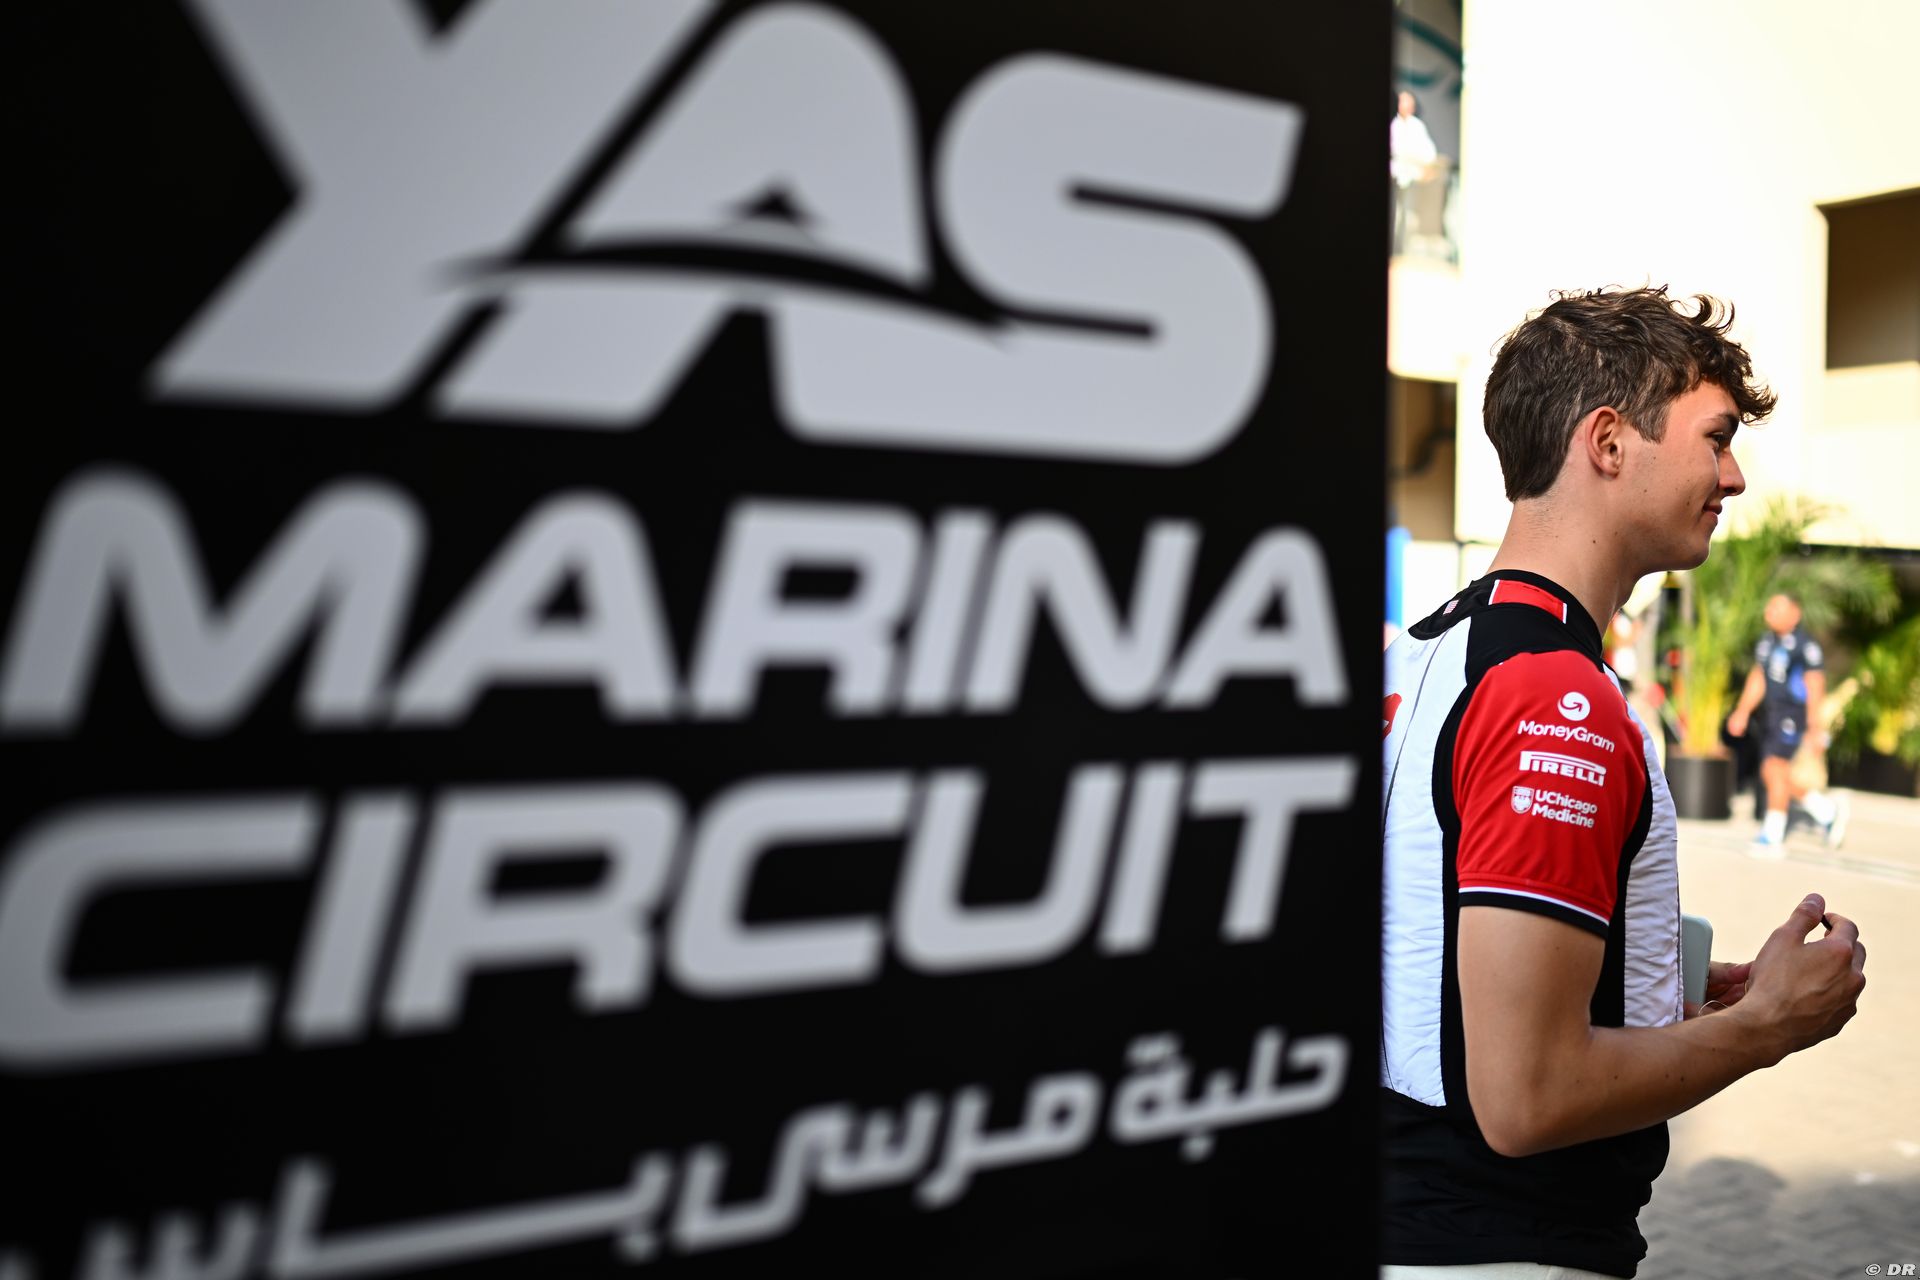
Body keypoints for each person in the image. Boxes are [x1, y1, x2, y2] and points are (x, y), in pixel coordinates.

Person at [1380, 287, 1867, 1278]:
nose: (1733, 476)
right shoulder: (1555, 695)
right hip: (1502, 1250)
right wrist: (1766, 1027)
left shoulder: (1425, 650)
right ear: (1607, 443)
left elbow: (1442, 970)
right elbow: (1527, 1096)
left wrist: (1654, 994)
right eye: (1716, 439)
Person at [1727, 593, 1847, 854]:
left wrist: (1815, 727)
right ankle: (1826, 811)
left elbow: (1815, 685)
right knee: (1773, 773)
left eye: (1777, 607)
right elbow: (1758, 678)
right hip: (1771, 715)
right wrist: (1742, 711)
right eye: (1769, 606)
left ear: (1795, 613)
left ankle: (1773, 834)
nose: (1769, 612)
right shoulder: (1766, 642)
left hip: (1792, 715)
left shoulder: (1805, 646)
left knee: (1774, 767)